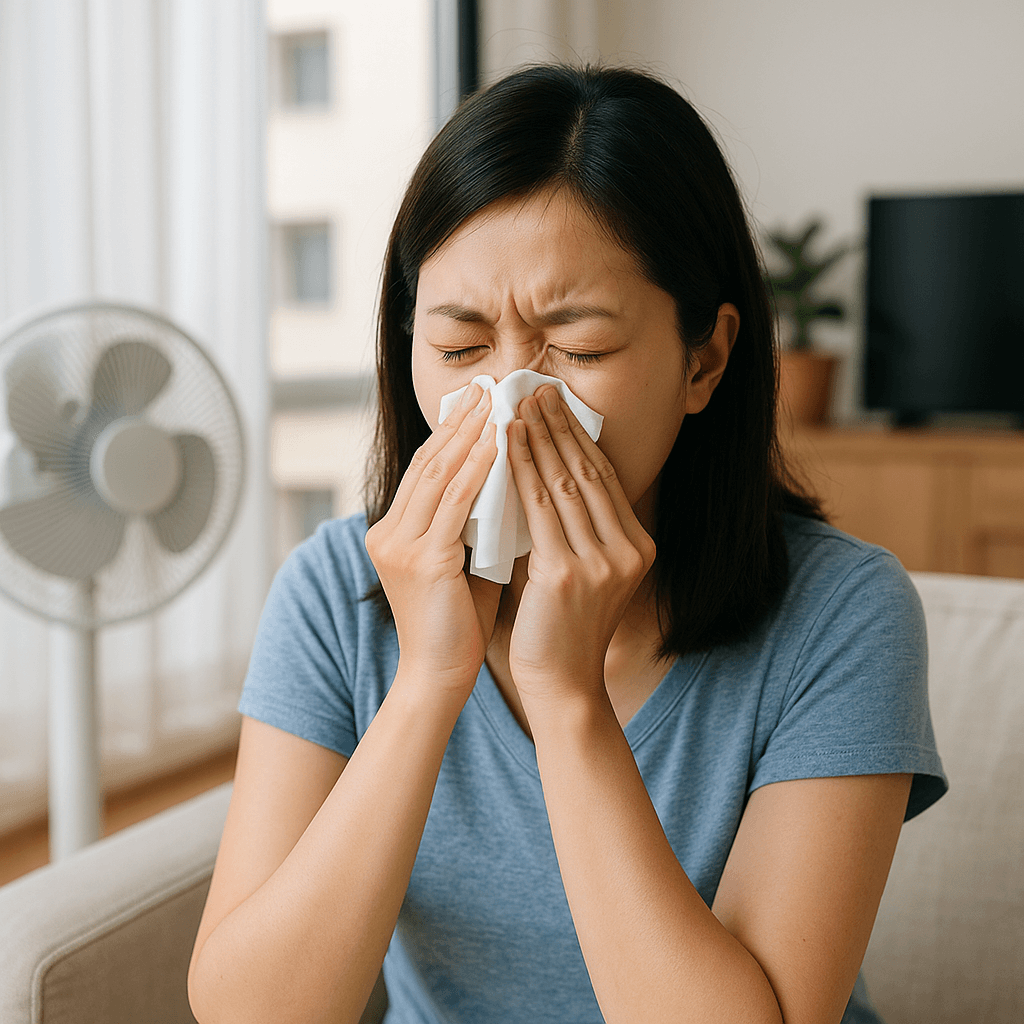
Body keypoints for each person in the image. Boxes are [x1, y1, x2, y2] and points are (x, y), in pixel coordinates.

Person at [187, 64, 947, 1024]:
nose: (510, 409)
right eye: (460, 349)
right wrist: (427, 682)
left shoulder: (843, 612)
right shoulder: (332, 592)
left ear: (704, 358)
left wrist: (566, 698)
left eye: (579, 351)